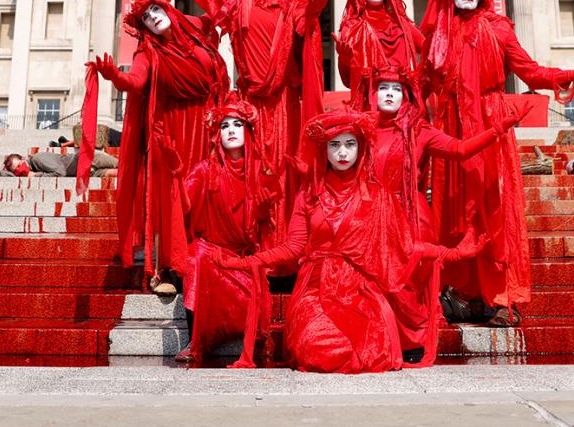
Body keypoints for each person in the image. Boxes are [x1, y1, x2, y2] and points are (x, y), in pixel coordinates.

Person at [419, 0, 574, 326]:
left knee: (494, 209)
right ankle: (464, 293)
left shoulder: (498, 29)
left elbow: (530, 72)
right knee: (454, 210)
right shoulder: (439, 35)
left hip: (490, 123)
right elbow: (420, 84)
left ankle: (499, 297)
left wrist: (571, 73)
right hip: (452, 126)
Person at [219, 109, 474, 372]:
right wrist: (246, 262)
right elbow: (293, 247)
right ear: (324, 150)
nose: (342, 153)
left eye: (349, 144)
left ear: (360, 148)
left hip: (361, 291)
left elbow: (405, 247)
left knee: (368, 352)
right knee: (316, 348)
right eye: (335, 145)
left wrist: (453, 253)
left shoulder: (377, 195)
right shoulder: (309, 193)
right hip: (315, 288)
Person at [146, 0, 330, 239]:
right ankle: (254, 245)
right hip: (249, 104)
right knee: (250, 172)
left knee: (284, 172)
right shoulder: (234, 2)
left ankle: (286, 249)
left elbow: (305, 36)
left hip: (284, 102)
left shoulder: (293, 3)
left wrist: (315, 15)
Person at [367, 70, 529, 342]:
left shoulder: (420, 131)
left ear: (407, 97)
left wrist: (497, 129)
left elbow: (460, 149)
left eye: (397, 89)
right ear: (372, 94)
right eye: (383, 88)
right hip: (369, 215)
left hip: (409, 216)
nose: (390, 94)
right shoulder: (360, 129)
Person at [93, 0, 230, 295]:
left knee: (210, 192)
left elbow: (224, 10)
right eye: (145, 17)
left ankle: (210, 260)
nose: (153, 18)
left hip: (207, 123)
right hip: (171, 130)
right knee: (174, 197)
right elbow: (136, 82)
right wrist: (114, 74)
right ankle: (169, 267)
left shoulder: (196, 29)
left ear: (167, 7)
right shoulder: (147, 51)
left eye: (155, 10)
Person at [176, 95, 280, 365]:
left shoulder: (262, 172)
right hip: (210, 252)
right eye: (224, 126)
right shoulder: (204, 170)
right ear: (216, 135)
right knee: (196, 256)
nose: (231, 130)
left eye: (237, 124)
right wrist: (174, 177)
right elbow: (184, 204)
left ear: (248, 130)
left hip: (242, 258)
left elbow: (268, 229)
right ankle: (193, 339)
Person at [335, 0, 424, 108]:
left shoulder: (401, 25)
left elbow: (430, 50)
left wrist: (417, 79)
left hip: (402, 103)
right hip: (369, 104)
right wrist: (345, 59)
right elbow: (347, 80)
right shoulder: (352, 26)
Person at [0, 149, 117, 177]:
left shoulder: (37, 158)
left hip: (87, 159)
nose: (19, 169)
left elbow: (60, 172)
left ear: (24, 159)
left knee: (122, 165)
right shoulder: (23, 172)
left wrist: (36, 176)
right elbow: (9, 175)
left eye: (19, 165)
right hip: (84, 173)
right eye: (16, 170)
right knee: (119, 174)